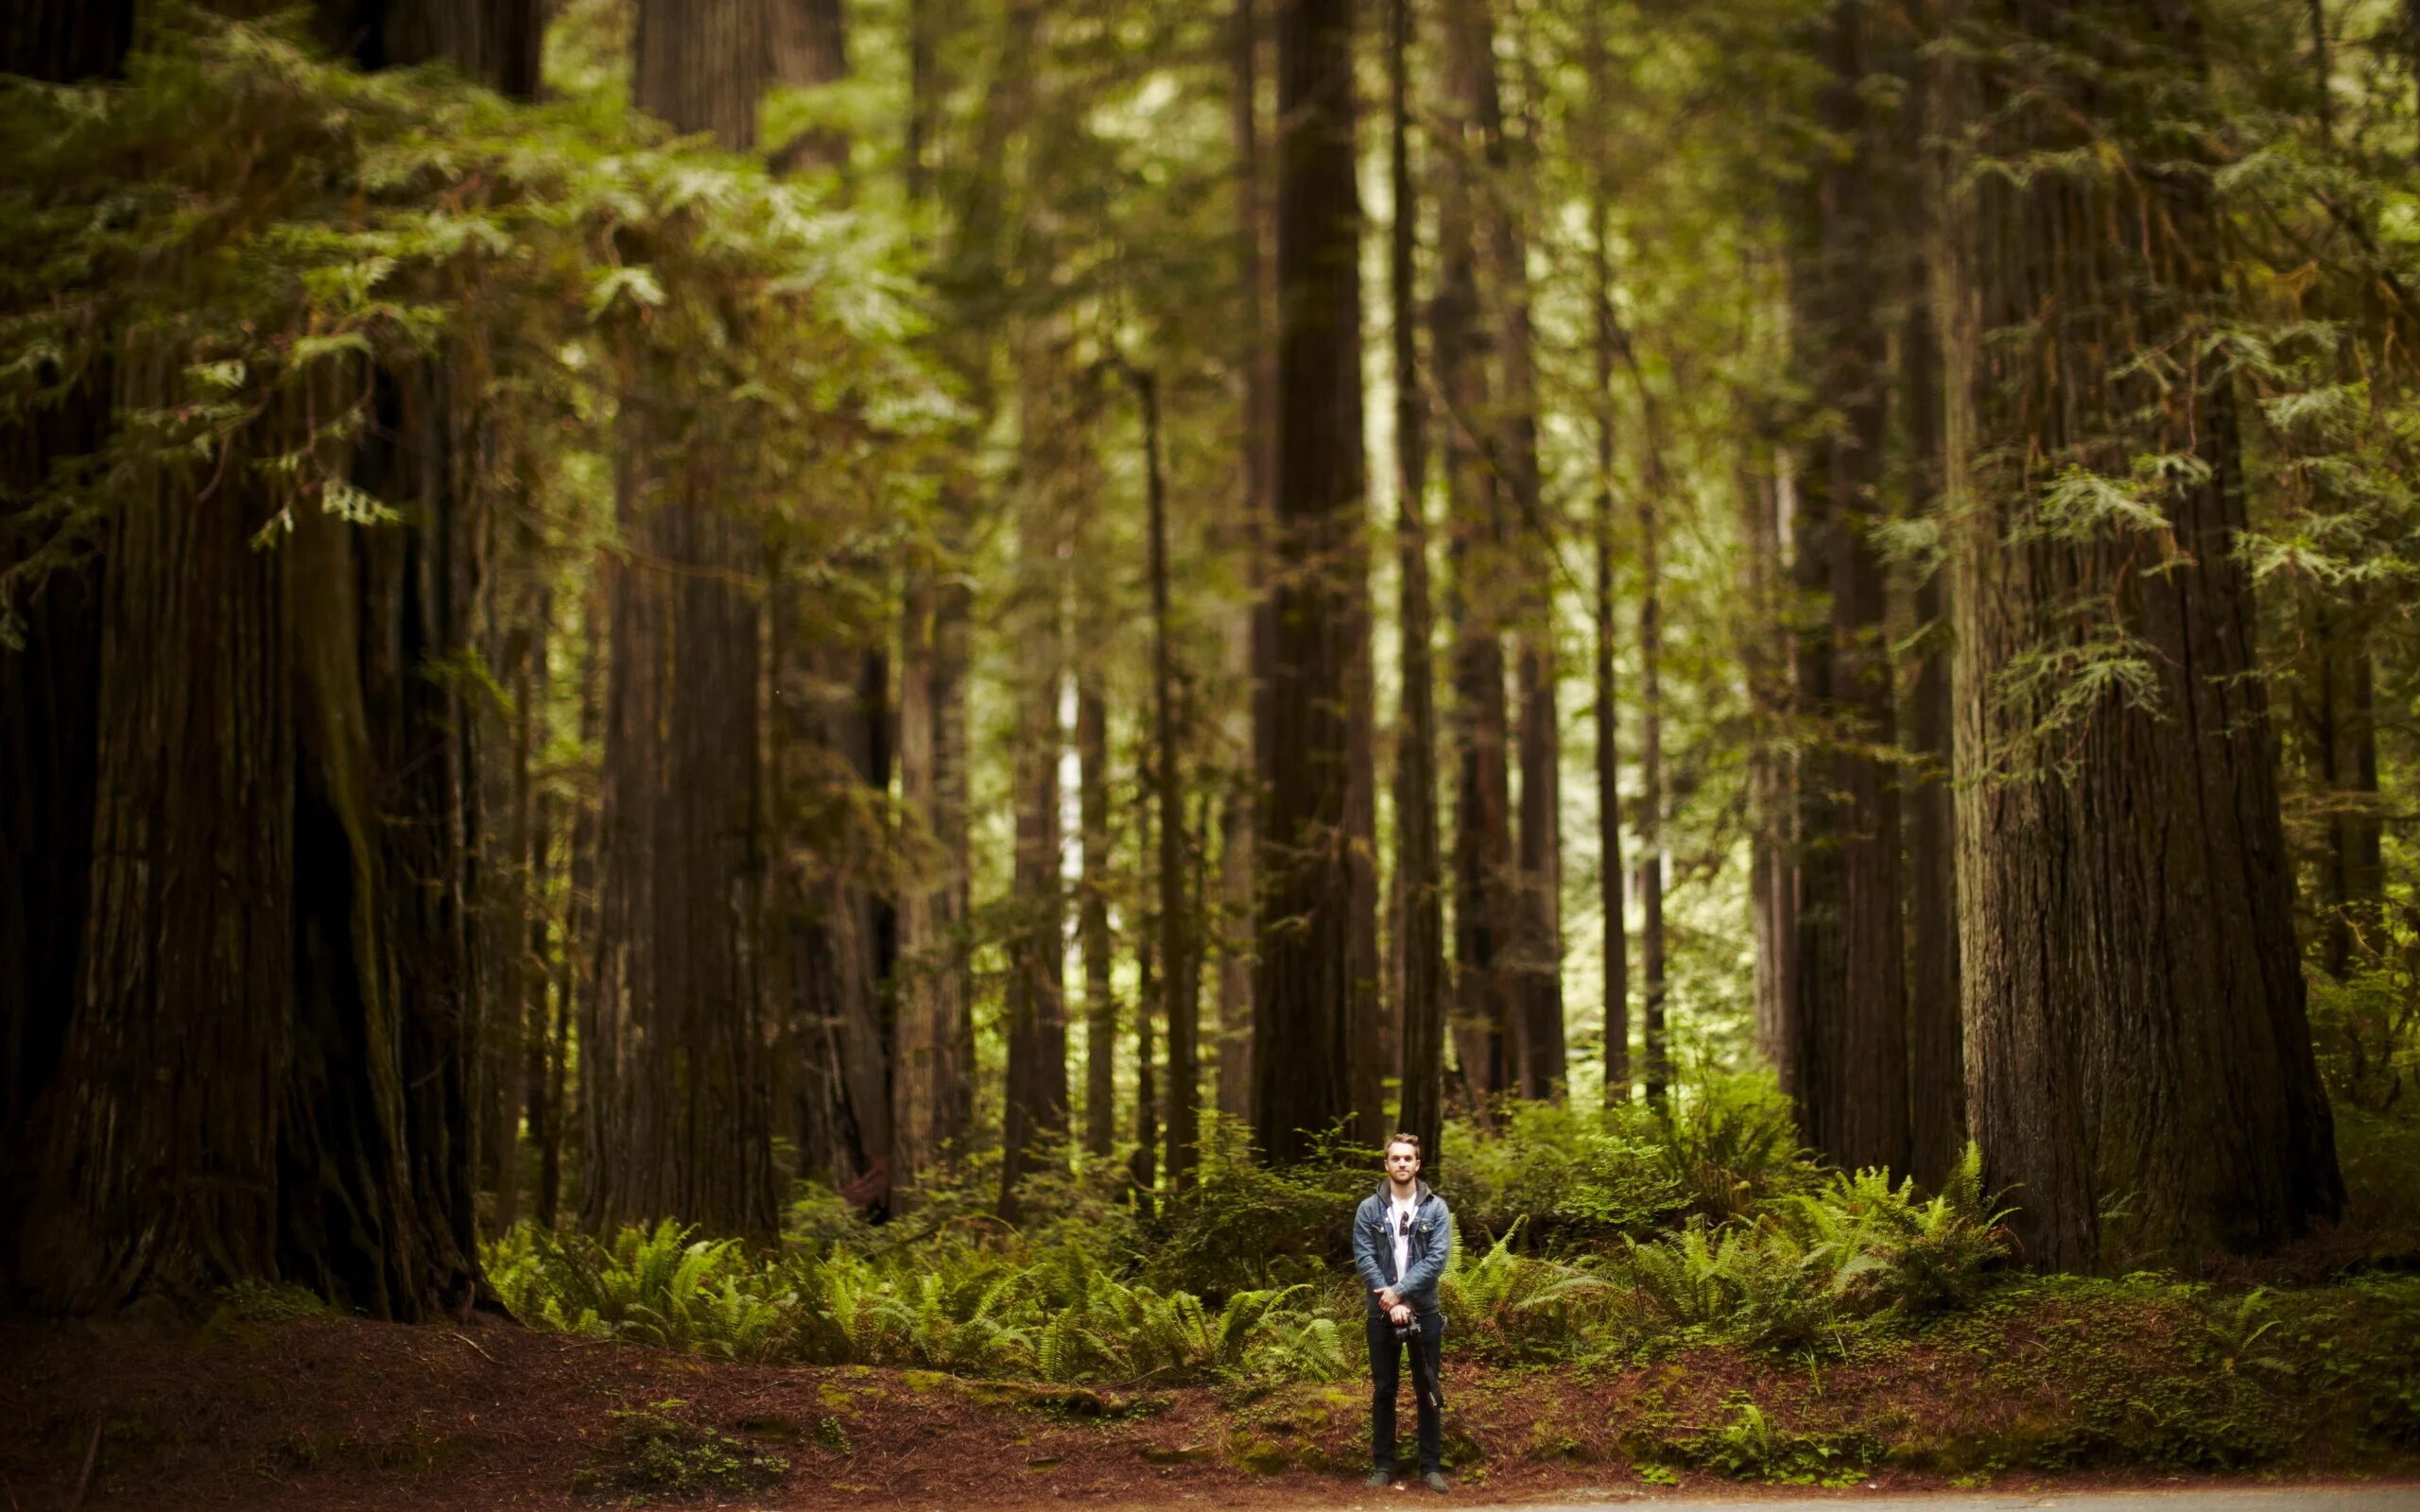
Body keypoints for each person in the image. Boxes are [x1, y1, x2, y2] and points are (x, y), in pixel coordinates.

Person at [1351, 1132, 1453, 1492]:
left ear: (1417, 1164)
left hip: (1424, 1310)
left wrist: (1400, 1293)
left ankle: (1430, 1466)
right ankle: (1383, 1465)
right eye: (1396, 1158)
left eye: (1408, 1158)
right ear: (1387, 1164)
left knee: (1427, 1386)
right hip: (1380, 1311)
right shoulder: (1369, 1209)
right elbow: (1364, 1257)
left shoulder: (1435, 1208)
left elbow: (1437, 1259)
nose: (1402, 1164)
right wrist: (1390, 1300)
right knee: (1384, 1389)